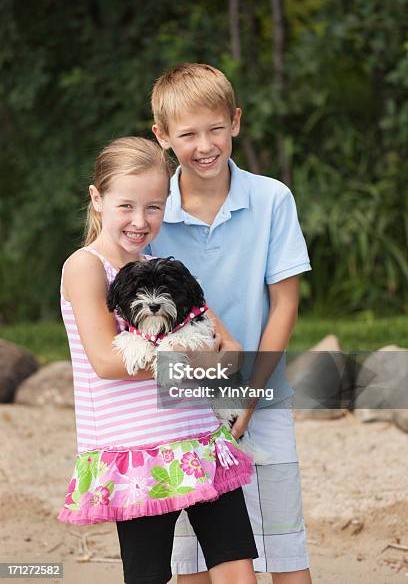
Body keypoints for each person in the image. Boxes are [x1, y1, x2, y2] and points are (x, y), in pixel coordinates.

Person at [57, 136, 258, 584]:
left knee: (237, 567)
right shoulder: (85, 267)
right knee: (149, 574)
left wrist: (208, 360)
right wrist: (194, 361)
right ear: (97, 199)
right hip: (136, 451)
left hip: (198, 439)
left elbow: (230, 351)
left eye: (153, 206)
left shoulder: (164, 273)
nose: (140, 220)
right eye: (125, 205)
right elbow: (108, 363)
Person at [149, 63, 313, 584]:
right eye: (187, 134)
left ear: (236, 122)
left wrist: (252, 395)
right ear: (162, 136)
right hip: (180, 407)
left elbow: (284, 303)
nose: (205, 145)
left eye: (215, 128)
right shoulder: (151, 213)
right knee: (196, 561)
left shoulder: (271, 199)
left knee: (284, 553)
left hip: (264, 393)